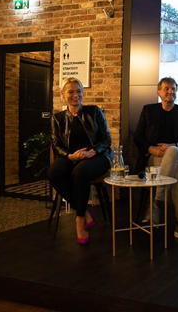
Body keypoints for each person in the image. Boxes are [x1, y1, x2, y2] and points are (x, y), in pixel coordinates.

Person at [134, 77, 178, 241]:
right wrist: (151, 149)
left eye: (173, 89)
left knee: (173, 152)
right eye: (166, 88)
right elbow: (138, 137)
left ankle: (156, 204)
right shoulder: (148, 110)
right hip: (155, 157)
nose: (170, 91)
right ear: (159, 92)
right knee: (177, 168)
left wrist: (174, 144)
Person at [48, 77, 113, 245]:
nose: (75, 95)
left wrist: (94, 151)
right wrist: (70, 156)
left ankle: (79, 220)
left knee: (80, 172)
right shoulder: (58, 118)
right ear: (63, 94)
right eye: (71, 92)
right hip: (71, 157)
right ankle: (83, 212)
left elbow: (106, 139)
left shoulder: (94, 112)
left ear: (83, 93)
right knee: (54, 172)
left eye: (79, 91)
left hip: (98, 157)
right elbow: (55, 144)